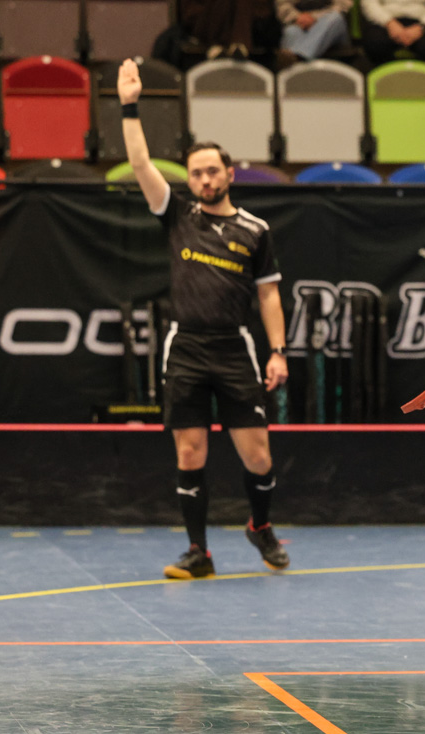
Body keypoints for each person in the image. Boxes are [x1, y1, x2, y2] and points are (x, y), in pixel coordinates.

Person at [117, 59, 292, 581]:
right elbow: (140, 162)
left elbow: (269, 297)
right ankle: (198, 552)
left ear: (229, 174)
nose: (204, 179)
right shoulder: (177, 215)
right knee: (190, 451)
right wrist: (129, 105)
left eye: (212, 171)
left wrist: (277, 352)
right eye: (195, 173)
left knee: (258, 457)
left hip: (234, 350)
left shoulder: (255, 230)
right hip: (186, 349)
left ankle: (260, 526)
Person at [359, 0, 425, 67]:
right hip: (385, 20)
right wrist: (389, 22)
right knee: (375, 44)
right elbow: (369, 3)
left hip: (422, 20)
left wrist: (422, 27)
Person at [275, 0, 353, 66]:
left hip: (329, 19)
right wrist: (297, 17)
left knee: (335, 18)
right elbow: (282, 5)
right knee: (291, 31)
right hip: (299, 20)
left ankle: (299, 57)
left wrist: (314, 18)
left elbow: (344, 5)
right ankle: (293, 66)